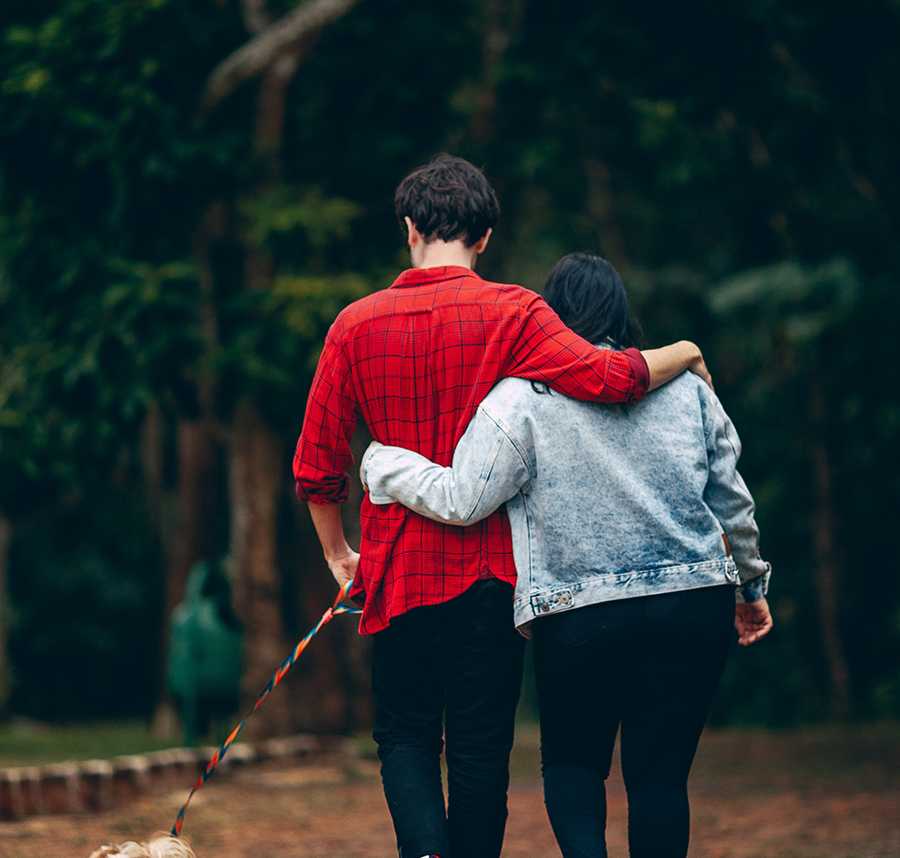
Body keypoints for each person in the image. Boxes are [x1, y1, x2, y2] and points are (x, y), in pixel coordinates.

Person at [293, 157, 712, 858]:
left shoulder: (353, 326)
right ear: (485, 237)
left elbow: (317, 463)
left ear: (408, 229)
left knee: (404, 735)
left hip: (395, 577)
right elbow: (611, 380)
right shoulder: (516, 312)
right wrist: (687, 349)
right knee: (482, 747)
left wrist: (340, 555)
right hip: (492, 579)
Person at [360, 252, 773, 858]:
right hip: (692, 602)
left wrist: (382, 463)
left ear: (545, 315)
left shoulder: (521, 399)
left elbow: (464, 498)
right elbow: (733, 505)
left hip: (581, 615)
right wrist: (751, 591)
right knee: (660, 779)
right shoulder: (689, 391)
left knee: (575, 770)